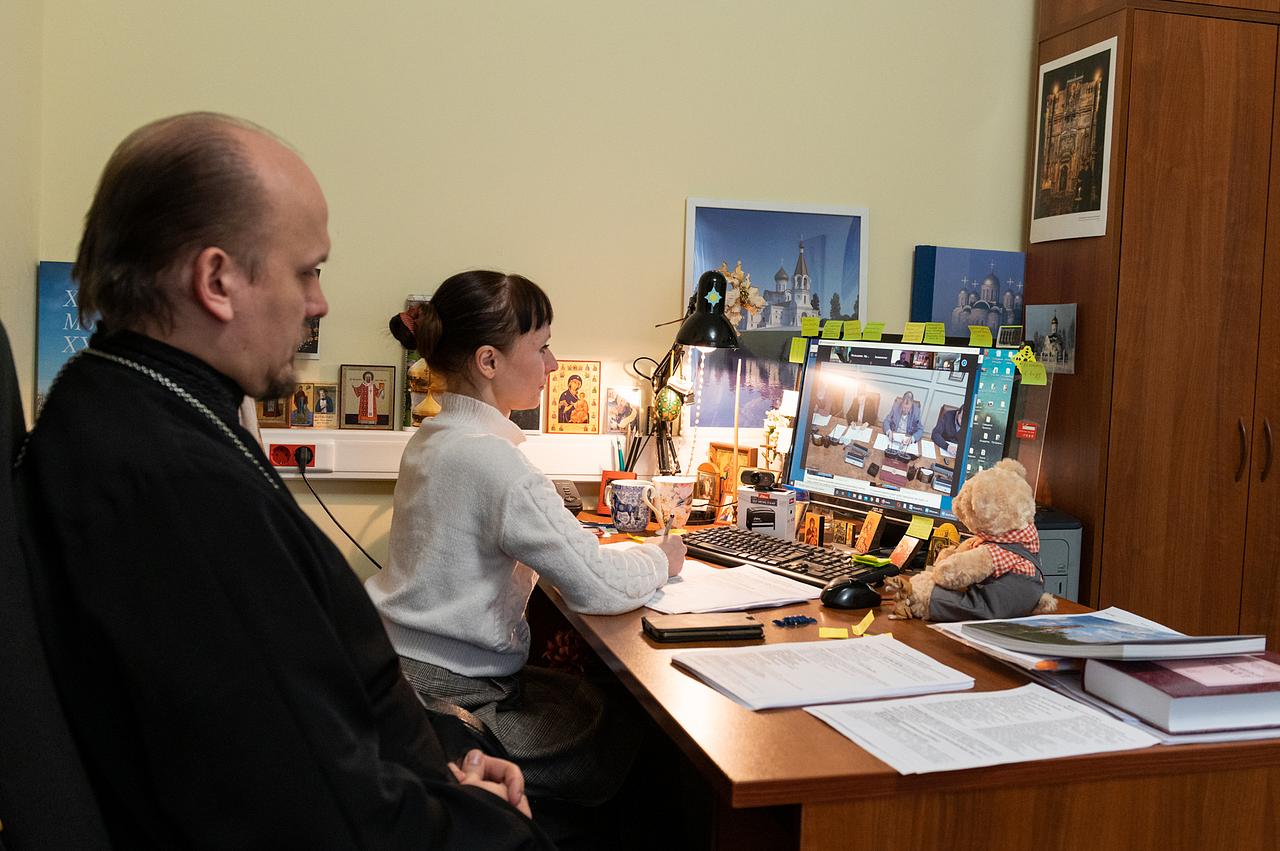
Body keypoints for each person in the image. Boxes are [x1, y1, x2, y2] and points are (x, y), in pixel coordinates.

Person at [16, 112, 552, 849]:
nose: (320, 301)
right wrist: (487, 823)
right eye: (308, 270)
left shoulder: (133, 404)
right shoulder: (171, 486)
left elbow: (328, 687)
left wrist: (447, 754)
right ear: (217, 280)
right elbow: (319, 811)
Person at [371, 272, 685, 812]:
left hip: (402, 683)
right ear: (488, 362)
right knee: (641, 726)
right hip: (459, 703)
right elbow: (601, 588)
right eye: (541, 347)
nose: (553, 364)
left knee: (589, 695)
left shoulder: (432, 438)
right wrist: (662, 557)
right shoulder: (493, 461)